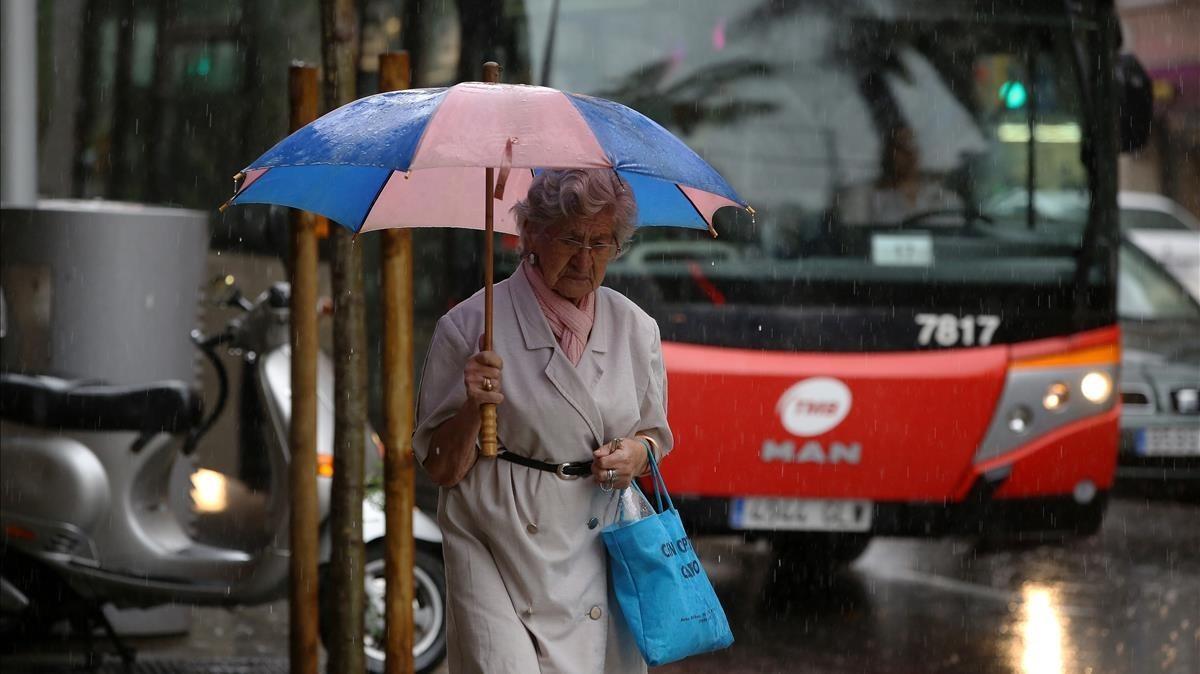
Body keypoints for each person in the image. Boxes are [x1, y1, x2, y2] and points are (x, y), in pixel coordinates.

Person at [413, 168, 673, 673]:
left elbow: (654, 436)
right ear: (530, 234)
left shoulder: (636, 328)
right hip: (494, 540)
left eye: (602, 243)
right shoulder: (471, 325)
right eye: (571, 238)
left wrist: (634, 453)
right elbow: (441, 468)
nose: (585, 258)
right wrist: (472, 406)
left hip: (597, 543)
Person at [838, 125, 963, 226]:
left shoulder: (945, 200)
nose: (909, 154)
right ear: (886, 152)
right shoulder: (859, 198)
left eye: (914, 146)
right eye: (901, 147)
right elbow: (854, 244)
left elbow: (957, 242)